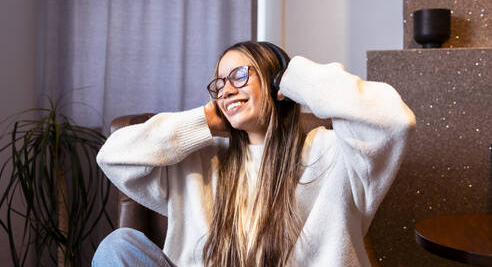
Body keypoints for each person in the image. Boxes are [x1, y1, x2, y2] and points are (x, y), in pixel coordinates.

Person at [92, 41, 416, 266]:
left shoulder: (332, 154)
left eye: (240, 76)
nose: (227, 90)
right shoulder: (200, 163)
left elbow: (392, 120)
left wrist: (294, 77)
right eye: (219, 84)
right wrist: (202, 121)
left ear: (277, 84)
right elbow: (113, 156)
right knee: (118, 246)